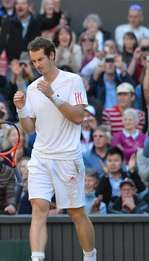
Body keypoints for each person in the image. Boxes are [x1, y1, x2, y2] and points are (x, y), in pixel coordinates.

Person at [13, 37, 96, 261]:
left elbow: (78, 117)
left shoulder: (73, 81)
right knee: (39, 208)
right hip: (40, 157)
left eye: (41, 59)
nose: (37, 65)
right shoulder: (31, 88)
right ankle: (36, 259)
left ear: (51, 56)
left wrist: (52, 95)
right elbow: (29, 129)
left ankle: (90, 257)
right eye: (34, 61)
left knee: (77, 213)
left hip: (67, 158)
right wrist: (21, 110)